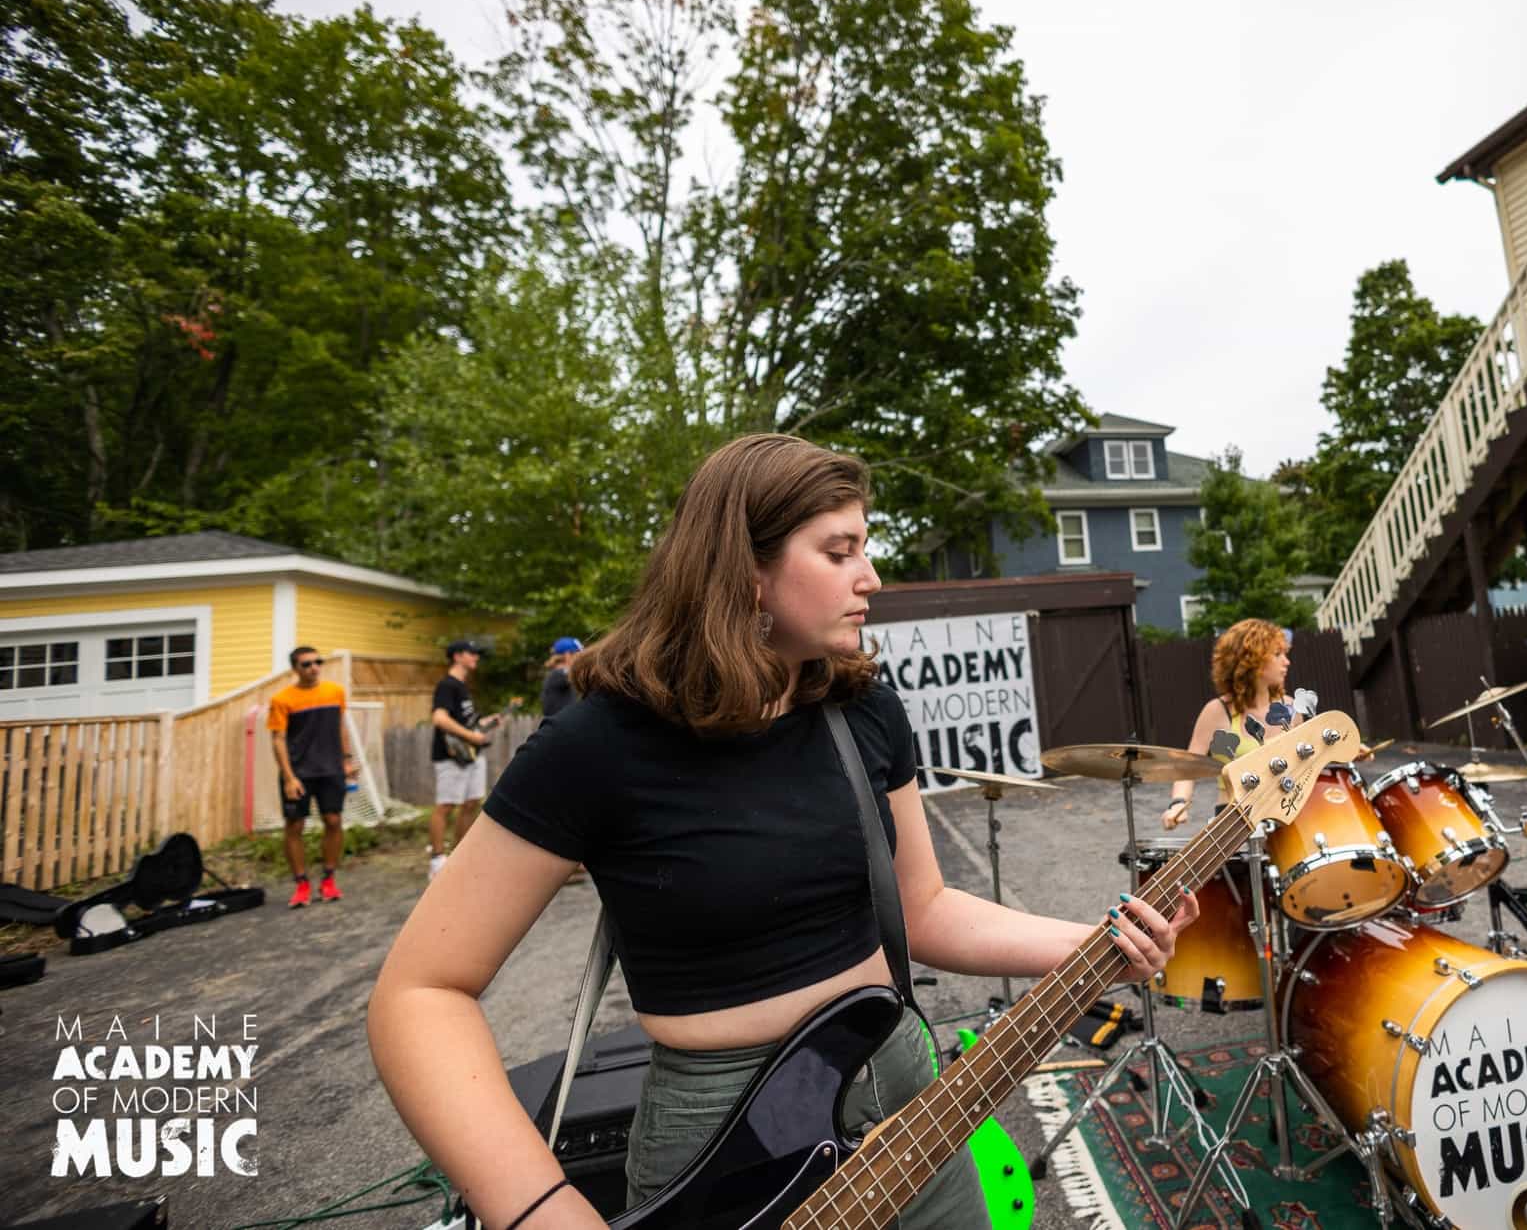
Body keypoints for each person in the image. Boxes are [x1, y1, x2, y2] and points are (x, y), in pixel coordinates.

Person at [368, 433, 1198, 1230]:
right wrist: (544, 1212)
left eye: (864, 548)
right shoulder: (600, 742)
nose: (869, 576)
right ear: (746, 569)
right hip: (723, 1150)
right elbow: (420, 993)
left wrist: (1094, 941)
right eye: (838, 552)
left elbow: (925, 907)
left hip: (913, 1111)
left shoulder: (862, 709)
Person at [1162, 618, 1293, 830]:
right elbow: (1187, 768)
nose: (1286, 662)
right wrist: (1178, 803)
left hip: (1285, 818)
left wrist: (1344, 749)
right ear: (1253, 662)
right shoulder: (1216, 711)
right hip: (1234, 821)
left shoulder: (1290, 709)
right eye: (1277, 655)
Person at [266, 645, 358, 908]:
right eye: (306, 664)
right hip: (299, 773)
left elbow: (340, 726)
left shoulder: (334, 692)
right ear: (295, 669)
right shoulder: (282, 699)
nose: (314, 667)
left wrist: (347, 760)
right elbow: (278, 739)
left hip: (331, 769)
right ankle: (301, 884)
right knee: (295, 826)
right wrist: (288, 777)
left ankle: (328, 880)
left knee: (333, 820)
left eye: (318, 662)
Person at [428, 639, 491, 880]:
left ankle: (459, 856)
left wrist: (486, 724)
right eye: (471, 653)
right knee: (445, 805)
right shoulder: (447, 685)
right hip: (451, 756)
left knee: (471, 802)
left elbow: (467, 722)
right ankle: (437, 859)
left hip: (471, 756)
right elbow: (440, 719)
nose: (476, 656)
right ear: (457, 656)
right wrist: (472, 737)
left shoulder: (463, 687)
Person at [540, 636, 582, 718]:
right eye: (578, 654)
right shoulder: (558, 675)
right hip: (560, 728)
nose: (580, 658)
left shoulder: (557, 674)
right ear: (568, 655)